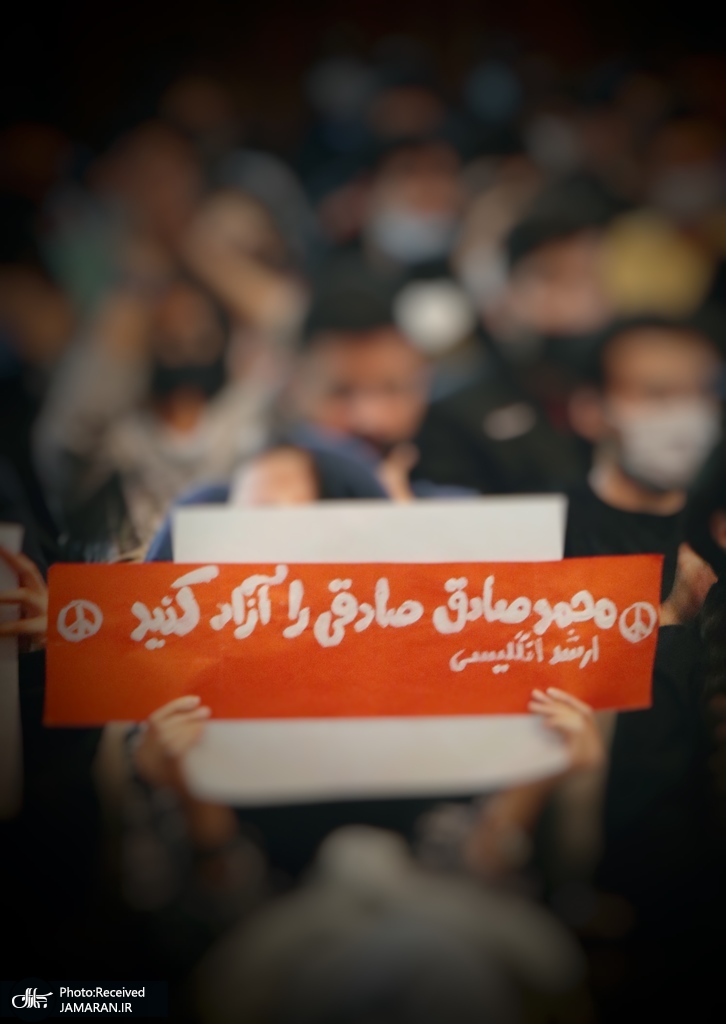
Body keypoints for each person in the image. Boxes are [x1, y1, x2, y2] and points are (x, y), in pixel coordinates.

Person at [414, 181, 615, 495]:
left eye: (587, 275)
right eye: (550, 275)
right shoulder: (458, 414)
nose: (573, 296)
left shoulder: (630, 403)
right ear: (509, 290)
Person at [565, 313, 723, 596]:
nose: (688, 413)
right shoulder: (551, 533)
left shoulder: (718, 524)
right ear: (589, 410)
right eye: (657, 393)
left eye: (702, 392)